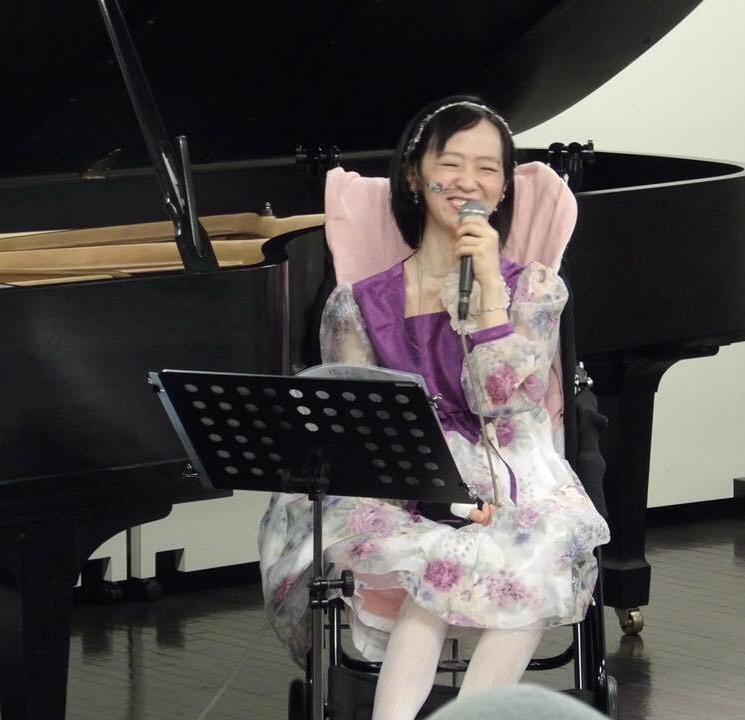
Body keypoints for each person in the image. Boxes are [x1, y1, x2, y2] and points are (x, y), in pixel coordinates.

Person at [258, 96, 610, 720]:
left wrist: (490, 295)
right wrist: (434, 495)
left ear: (503, 189)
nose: (468, 182)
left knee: (538, 549)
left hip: (517, 470)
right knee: (437, 560)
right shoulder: (358, 305)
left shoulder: (533, 289)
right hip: (408, 474)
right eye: (451, 163)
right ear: (416, 176)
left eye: (488, 168)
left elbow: (504, 404)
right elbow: (354, 421)